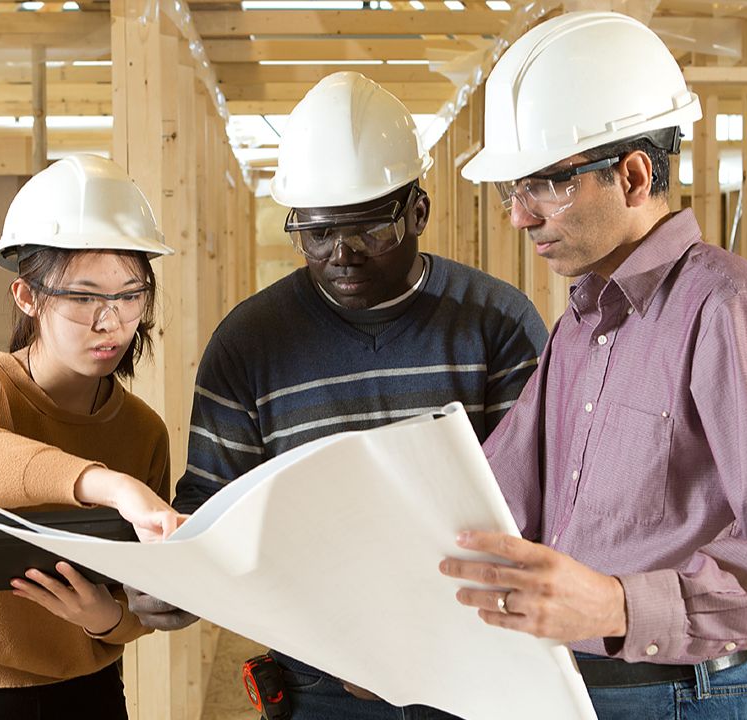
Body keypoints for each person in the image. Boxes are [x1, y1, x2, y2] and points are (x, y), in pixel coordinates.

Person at [438, 11, 747, 720]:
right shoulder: (580, 324)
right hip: (569, 690)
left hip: (682, 697)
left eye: (544, 185)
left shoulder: (731, 310)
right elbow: (497, 497)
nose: (520, 216)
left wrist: (615, 603)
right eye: (514, 191)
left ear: (633, 175)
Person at [124, 71, 549, 719]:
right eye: (317, 233)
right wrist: (176, 582)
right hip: (321, 684)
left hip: (474, 663)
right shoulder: (251, 343)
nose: (342, 255)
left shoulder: (496, 323)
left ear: (418, 213)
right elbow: (211, 503)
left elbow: (536, 510)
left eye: (370, 231)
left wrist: (419, 633)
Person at [0, 155, 185, 720]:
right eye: (83, 298)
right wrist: (108, 486)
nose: (111, 322)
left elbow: (144, 596)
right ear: (27, 297)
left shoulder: (142, 430)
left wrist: (101, 618)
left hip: (89, 691)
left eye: (131, 295)